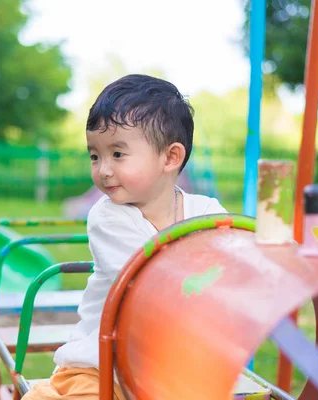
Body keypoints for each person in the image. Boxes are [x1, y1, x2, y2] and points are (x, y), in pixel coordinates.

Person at [24, 74, 227, 399]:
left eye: (117, 155)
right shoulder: (108, 217)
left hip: (168, 369)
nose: (103, 169)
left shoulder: (206, 211)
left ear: (170, 157)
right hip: (100, 366)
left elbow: (233, 262)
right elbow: (148, 286)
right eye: (95, 156)